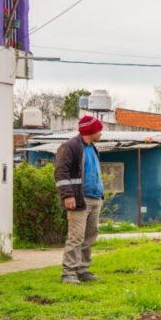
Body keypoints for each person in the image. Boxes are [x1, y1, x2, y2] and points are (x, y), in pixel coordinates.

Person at [56, 116, 106, 284]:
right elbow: (61, 172)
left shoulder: (92, 148)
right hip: (79, 199)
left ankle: (82, 270)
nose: (101, 133)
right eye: (99, 129)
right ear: (91, 130)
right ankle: (68, 273)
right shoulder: (70, 147)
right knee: (76, 237)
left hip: (95, 198)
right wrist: (67, 195)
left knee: (89, 237)